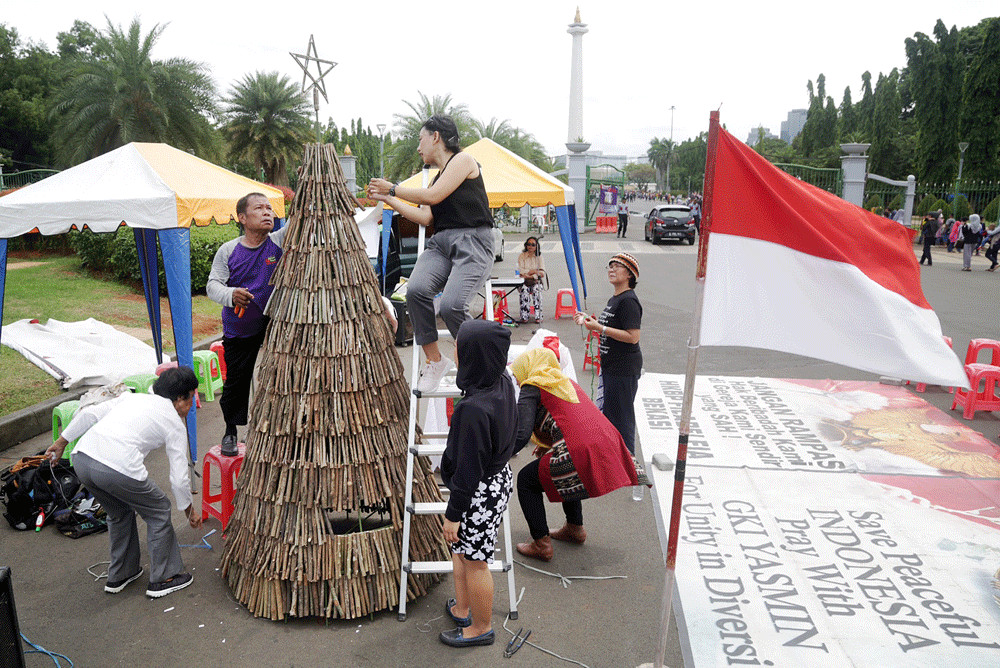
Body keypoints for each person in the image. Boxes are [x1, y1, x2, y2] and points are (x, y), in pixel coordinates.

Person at [45, 367, 202, 598]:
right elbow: (178, 479)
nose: (191, 406)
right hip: (116, 467)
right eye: (191, 398)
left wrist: (61, 442)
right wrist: (189, 511)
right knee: (159, 509)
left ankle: (120, 574)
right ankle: (164, 578)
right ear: (180, 399)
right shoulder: (174, 424)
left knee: (119, 512)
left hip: (82, 459)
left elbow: (89, 415)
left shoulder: (133, 397)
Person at [367, 116, 494, 393]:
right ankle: (435, 360)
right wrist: (389, 199)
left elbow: (433, 196)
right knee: (416, 291)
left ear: (436, 136)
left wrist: (392, 187)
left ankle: (476, 361)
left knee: (451, 306)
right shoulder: (440, 176)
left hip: (472, 241)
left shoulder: (463, 161)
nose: (417, 148)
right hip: (442, 243)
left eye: (420, 139)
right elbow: (426, 217)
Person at [509, 348, 647, 561]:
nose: (519, 384)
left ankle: (541, 544)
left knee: (526, 480)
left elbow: (521, 434)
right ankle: (575, 528)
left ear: (527, 369)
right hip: (606, 442)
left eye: (518, 377)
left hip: (579, 449)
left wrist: (495, 456)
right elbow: (568, 419)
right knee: (562, 468)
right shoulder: (564, 382)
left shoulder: (533, 384)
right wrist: (550, 444)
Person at [438, 320, 516, 648]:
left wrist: (453, 513)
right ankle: (462, 606)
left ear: (475, 355)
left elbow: (469, 472)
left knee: (475, 560)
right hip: (494, 482)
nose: (455, 351)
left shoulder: (472, 408)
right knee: (463, 550)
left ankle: (480, 627)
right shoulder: (500, 382)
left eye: (460, 347)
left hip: (477, 493)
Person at [206, 192, 288, 455]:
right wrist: (231, 295)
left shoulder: (279, 241)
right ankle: (230, 430)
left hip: (275, 323)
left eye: (269, 208)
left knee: (284, 372)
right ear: (242, 218)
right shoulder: (229, 250)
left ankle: (281, 426)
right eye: (259, 208)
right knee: (236, 383)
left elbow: (300, 220)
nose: (268, 213)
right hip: (240, 327)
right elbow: (213, 285)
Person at [573, 252, 643, 454]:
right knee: (610, 415)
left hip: (623, 368)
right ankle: (615, 459)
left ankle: (629, 462)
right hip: (611, 366)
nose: (611, 269)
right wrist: (590, 322)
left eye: (617, 266)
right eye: (610, 266)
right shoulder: (616, 299)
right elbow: (608, 326)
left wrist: (600, 328)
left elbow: (633, 336)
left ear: (630, 274)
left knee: (622, 417)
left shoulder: (628, 301)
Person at [516, 236, 546, 323]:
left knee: (537, 290)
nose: (531, 246)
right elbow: (520, 271)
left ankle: (538, 316)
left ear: (536, 246)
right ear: (526, 245)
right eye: (529, 244)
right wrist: (533, 272)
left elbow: (542, 273)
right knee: (524, 291)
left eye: (533, 245)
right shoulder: (522, 256)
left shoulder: (539, 257)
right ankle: (524, 316)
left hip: (536, 282)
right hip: (524, 282)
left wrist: (529, 274)